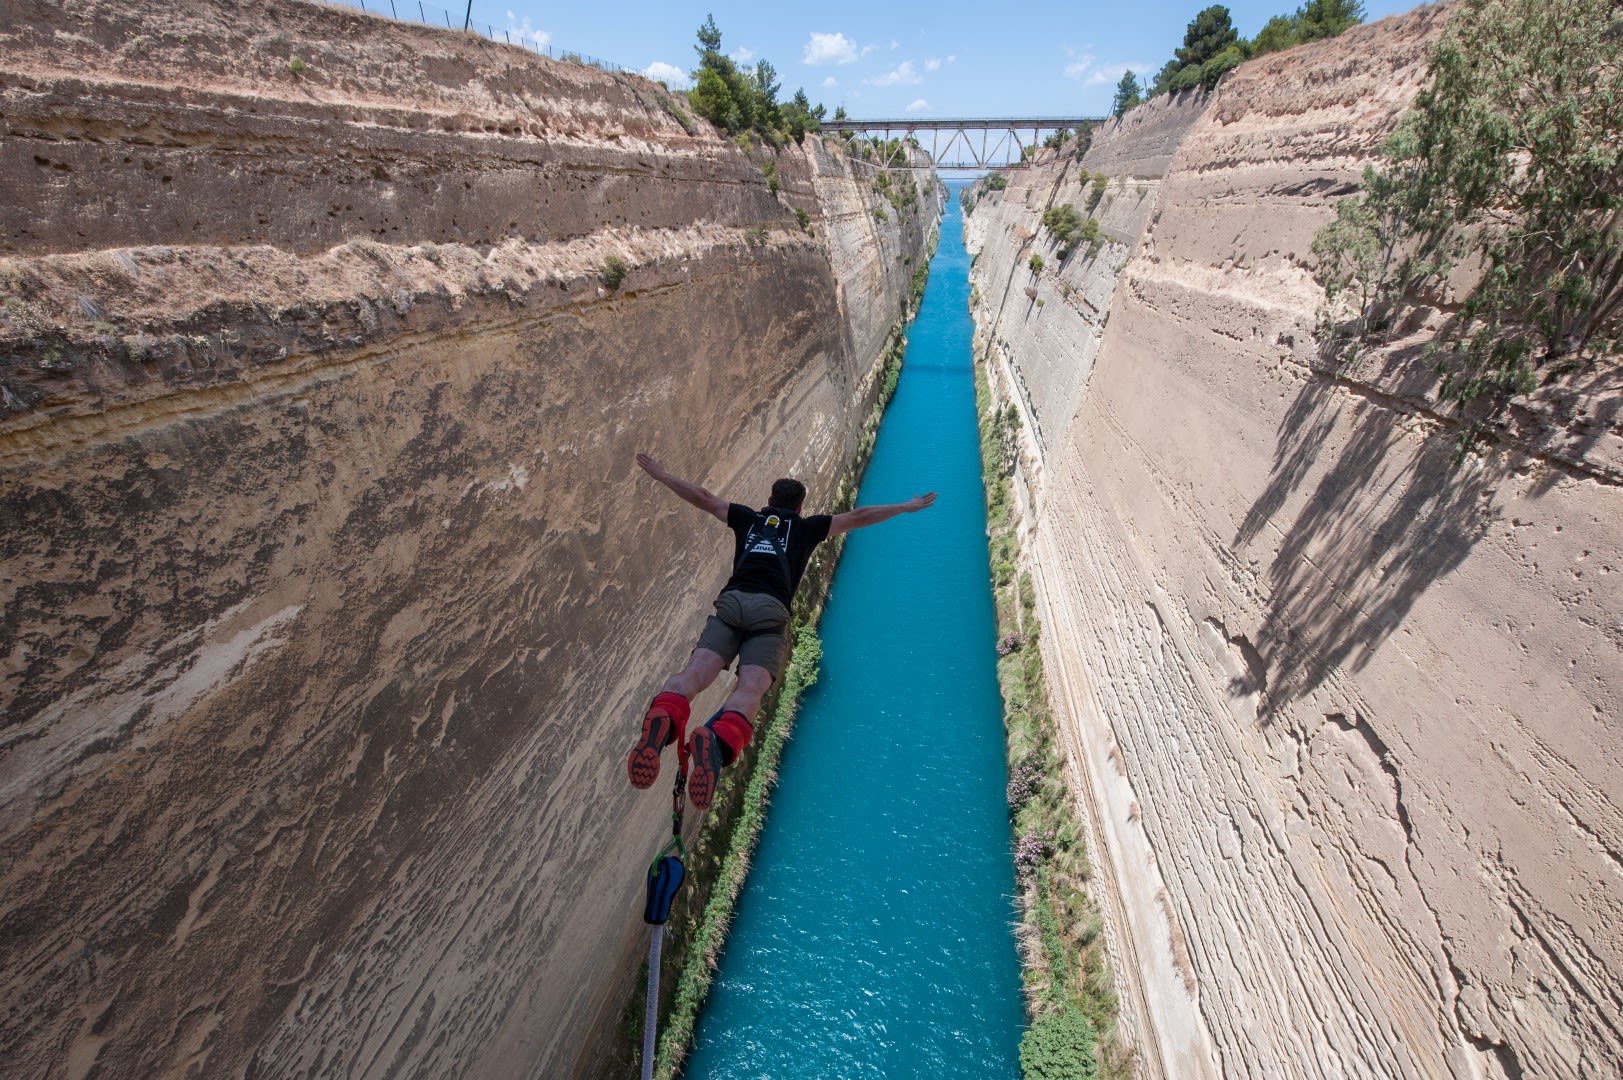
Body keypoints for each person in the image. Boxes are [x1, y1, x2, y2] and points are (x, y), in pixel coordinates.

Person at [627, 452, 937, 810]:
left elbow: (704, 498)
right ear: (801, 506)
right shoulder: (806, 528)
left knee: (693, 675)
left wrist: (663, 476)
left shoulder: (747, 517)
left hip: (731, 604)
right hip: (769, 615)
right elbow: (858, 516)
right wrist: (905, 505)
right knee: (750, 689)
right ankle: (715, 740)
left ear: (770, 501)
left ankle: (665, 718)